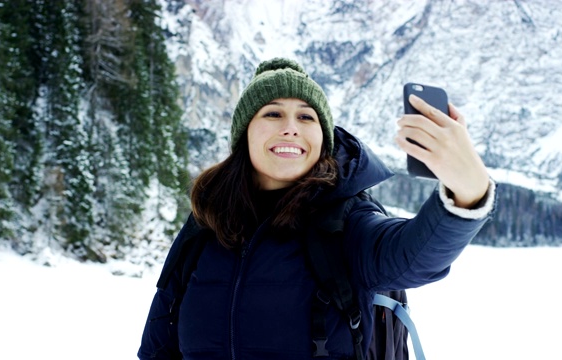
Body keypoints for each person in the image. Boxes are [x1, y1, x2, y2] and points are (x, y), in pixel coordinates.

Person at [138, 58, 496, 360]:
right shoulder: (208, 218)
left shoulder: (346, 221)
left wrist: (467, 192)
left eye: (307, 117)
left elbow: (411, 257)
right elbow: (160, 334)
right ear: (245, 133)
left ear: (323, 139)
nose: (290, 128)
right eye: (273, 113)